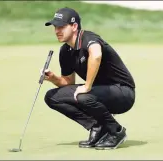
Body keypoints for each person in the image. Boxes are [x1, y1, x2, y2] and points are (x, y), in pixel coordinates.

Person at [44, 7, 135, 150]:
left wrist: (87, 86)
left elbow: (96, 55)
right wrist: (53, 78)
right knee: (52, 97)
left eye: (61, 26)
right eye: (55, 27)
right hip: (99, 93)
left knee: (83, 96)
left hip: (123, 92)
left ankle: (116, 131)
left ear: (74, 26)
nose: (57, 31)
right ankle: (97, 126)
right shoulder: (66, 50)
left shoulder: (89, 38)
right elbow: (68, 82)